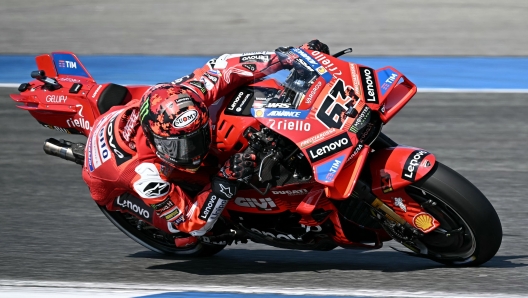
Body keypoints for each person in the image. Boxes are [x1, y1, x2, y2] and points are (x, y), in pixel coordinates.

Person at [82, 40, 330, 247]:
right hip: (111, 182)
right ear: (154, 139)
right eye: (178, 147)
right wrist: (225, 180)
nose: (192, 152)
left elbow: (228, 66)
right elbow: (191, 222)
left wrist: (291, 57)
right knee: (186, 236)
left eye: (196, 139)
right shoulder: (144, 176)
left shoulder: (188, 94)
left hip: (134, 112)